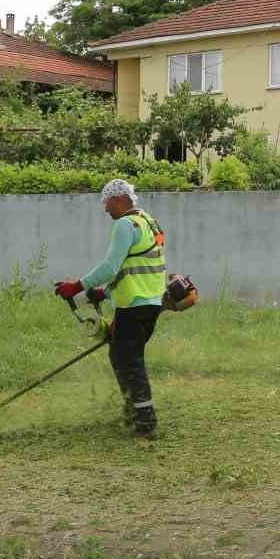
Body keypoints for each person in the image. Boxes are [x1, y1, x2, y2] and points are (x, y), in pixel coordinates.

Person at [54, 179, 166, 439]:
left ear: (118, 199)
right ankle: (133, 411)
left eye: (106, 203)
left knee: (129, 360)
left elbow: (110, 266)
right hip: (151, 303)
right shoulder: (149, 221)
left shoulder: (125, 224)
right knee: (121, 356)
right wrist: (105, 292)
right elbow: (136, 266)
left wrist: (77, 286)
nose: (105, 209)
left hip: (134, 304)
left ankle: (146, 424)